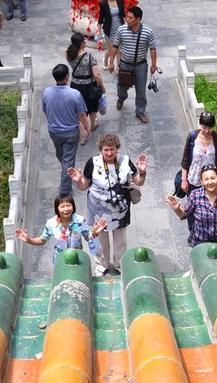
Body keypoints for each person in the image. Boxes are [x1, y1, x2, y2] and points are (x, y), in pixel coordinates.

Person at [68, 133, 147, 275]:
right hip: (98, 209)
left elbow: (139, 182)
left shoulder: (125, 161)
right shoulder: (93, 162)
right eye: (106, 150)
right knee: (100, 239)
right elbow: (84, 186)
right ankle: (101, 265)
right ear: (101, 150)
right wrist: (78, 180)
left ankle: (120, 264)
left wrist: (142, 172)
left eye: (112, 149)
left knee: (120, 240)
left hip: (120, 210)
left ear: (116, 148)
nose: (109, 153)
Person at [15, 193, 108, 265]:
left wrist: (94, 233)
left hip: (77, 257)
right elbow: (42, 240)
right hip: (60, 259)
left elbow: (88, 237)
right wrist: (28, 240)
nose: (66, 209)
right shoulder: (51, 223)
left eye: (69, 205)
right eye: (62, 206)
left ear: (73, 206)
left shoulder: (80, 220)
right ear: (57, 209)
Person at [43, 64, 90, 196]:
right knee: (68, 161)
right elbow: (81, 114)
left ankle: (66, 170)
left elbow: (46, 111)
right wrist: (87, 127)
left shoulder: (46, 92)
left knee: (61, 154)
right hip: (70, 132)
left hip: (54, 131)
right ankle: (64, 191)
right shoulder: (75, 94)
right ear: (67, 76)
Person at [106, 6, 157, 123]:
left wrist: (153, 65)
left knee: (141, 91)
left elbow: (153, 49)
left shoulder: (148, 32)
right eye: (127, 17)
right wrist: (111, 62)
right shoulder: (121, 30)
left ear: (138, 19)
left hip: (140, 65)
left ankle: (140, 111)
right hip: (125, 65)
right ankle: (121, 98)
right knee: (122, 88)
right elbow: (115, 46)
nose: (127, 19)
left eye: (130, 18)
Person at [67, 33, 106, 140]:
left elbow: (67, 51)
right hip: (89, 86)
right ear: (81, 43)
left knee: (79, 110)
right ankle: (93, 124)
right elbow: (96, 75)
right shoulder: (90, 57)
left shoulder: (69, 54)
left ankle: (83, 136)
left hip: (75, 85)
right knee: (92, 106)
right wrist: (102, 86)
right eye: (84, 41)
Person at [178, 111, 217, 197]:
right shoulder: (192, 137)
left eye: (210, 128)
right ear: (199, 124)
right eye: (204, 127)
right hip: (194, 179)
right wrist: (184, 180)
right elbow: (185, 160)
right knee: (193, 203)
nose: (206, 131)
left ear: (214, 126)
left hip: (210, 181)